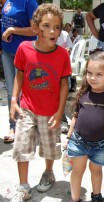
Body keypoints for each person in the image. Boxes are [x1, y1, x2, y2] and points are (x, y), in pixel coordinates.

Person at [10, 3, 71, 201]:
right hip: (27, 107)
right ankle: (23, 185)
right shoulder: (24, 49)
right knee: (22, 146)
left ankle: (48, 172)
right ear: (35, 27)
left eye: (57, 27)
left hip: (50, 110)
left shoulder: (62, 54)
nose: (53, 31)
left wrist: (60, 111)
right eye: (46, 26)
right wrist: (13, 99)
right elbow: (19, 74)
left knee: (50, 147)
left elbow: (64, 84)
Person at [63, 50, 104, 202]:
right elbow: (76, 116)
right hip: (78, 141)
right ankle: (75, 198)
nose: (92, 78)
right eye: (89, 73)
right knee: (77, 171)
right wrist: (68, 136)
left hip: (100, 144)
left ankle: (96, 196)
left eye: (99, 74)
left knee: (96, 171)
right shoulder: (83, 92)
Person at [2, 0, 38, 143]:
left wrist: (12, 30)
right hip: (7, 51)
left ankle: (27, 126)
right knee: (11, 91)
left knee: (25, 91)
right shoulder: (8, 1)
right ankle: (13, 127)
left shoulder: (29, 2)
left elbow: (35, 29)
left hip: (23, 52)